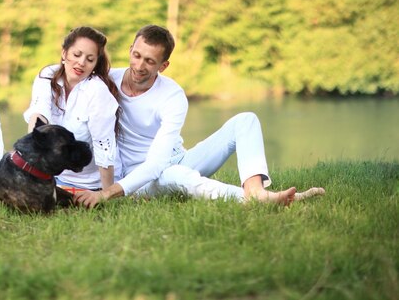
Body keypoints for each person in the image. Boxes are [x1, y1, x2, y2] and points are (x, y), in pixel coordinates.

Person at [75, 25, 325, 208]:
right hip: (135, 178)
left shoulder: (172, 95)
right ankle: (257, 201)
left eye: (150, 61)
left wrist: (106, 194)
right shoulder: (107, 82)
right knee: (176, 176)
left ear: (164, 66)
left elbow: (159, 161)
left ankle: (256, 190)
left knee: (246, 119)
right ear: (130, 50)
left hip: (174, 160)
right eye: (137, 56)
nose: (140, 66)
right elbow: (65, 71)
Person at [24, 26, 120, 191]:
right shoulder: (47, 75)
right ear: (64, 53)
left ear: (96, 63)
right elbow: (39, 114)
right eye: (77, 55)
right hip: (53, 177)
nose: (81, 63)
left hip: (91, 183)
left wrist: (107, 193)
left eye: (90, 59)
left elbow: (104, 144)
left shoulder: (97, 91)